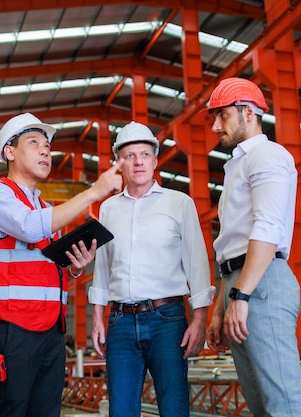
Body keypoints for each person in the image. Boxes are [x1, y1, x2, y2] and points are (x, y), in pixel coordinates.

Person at [0, 112, 124, 417]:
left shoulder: (47, 209)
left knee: (46, 412)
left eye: (48, 146)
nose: (45, 150)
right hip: (11, 326)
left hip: (51, 328)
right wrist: (94, 191)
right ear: (9, 152)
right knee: (10, 411)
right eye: (34, 142)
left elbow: (48, 266)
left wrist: (76, 267)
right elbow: (28, 227)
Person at [89, 121, 215, 417]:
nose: (138, 162)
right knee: (120, 411)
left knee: (173, 409)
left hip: (167, 321)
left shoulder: (179, 203)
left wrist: (199, 319)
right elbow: (103, 267)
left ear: (155, 161)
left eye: (144, 154)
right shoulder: (108, 209)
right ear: (120, 164)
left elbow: (196, 262)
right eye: (130, 156)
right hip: (119, 322)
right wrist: (97, 317)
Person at [203, 77, 301, 417]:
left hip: (262, 283)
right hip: (239, 282)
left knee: (284, 405)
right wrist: (222, 304)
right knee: (262, 407)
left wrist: (242, 296)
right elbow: (230, 247)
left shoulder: (267, 155)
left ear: (248, 112)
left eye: (222, 116)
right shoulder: (237, 165)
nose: (216, 126)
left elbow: (267, 228)